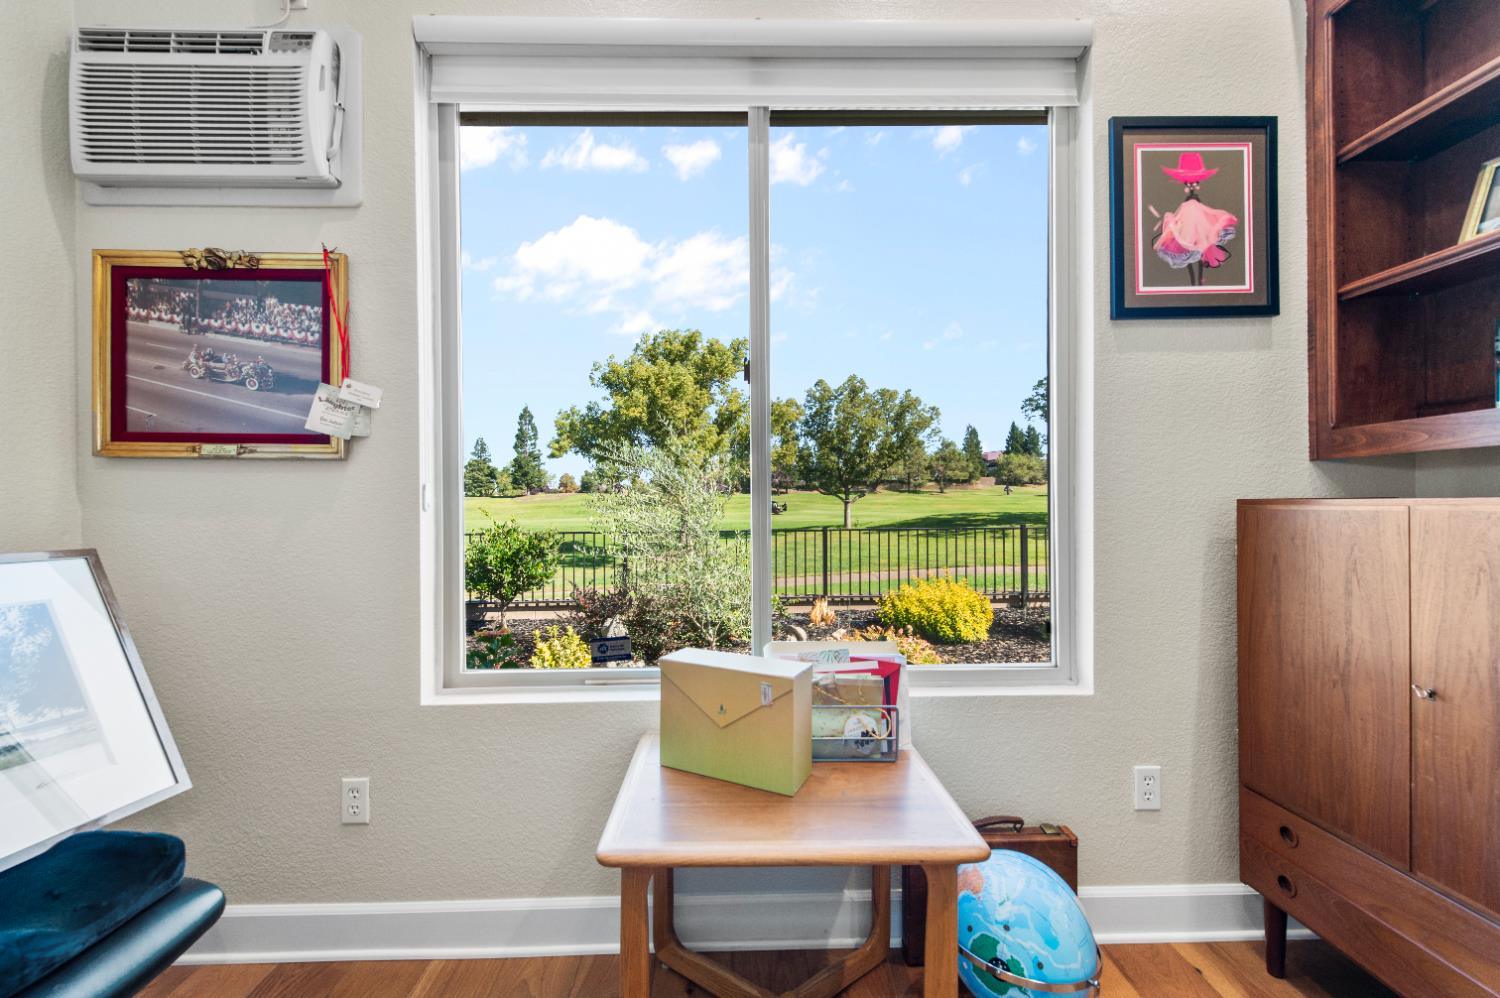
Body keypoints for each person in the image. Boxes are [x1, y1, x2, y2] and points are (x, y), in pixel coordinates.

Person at [1150, 151, 1239, 287]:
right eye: (1189, 183)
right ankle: (1194, 283)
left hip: (1199, 229)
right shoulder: (1187, 203)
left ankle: (1197, 283)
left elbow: (1204, 212)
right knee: (1189, 253)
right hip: (1187, 230)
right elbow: (1184, 215)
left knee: (1197, 254)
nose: (1191, 186)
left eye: (1195, 183)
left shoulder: (1194, 202)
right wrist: (1175, 224)